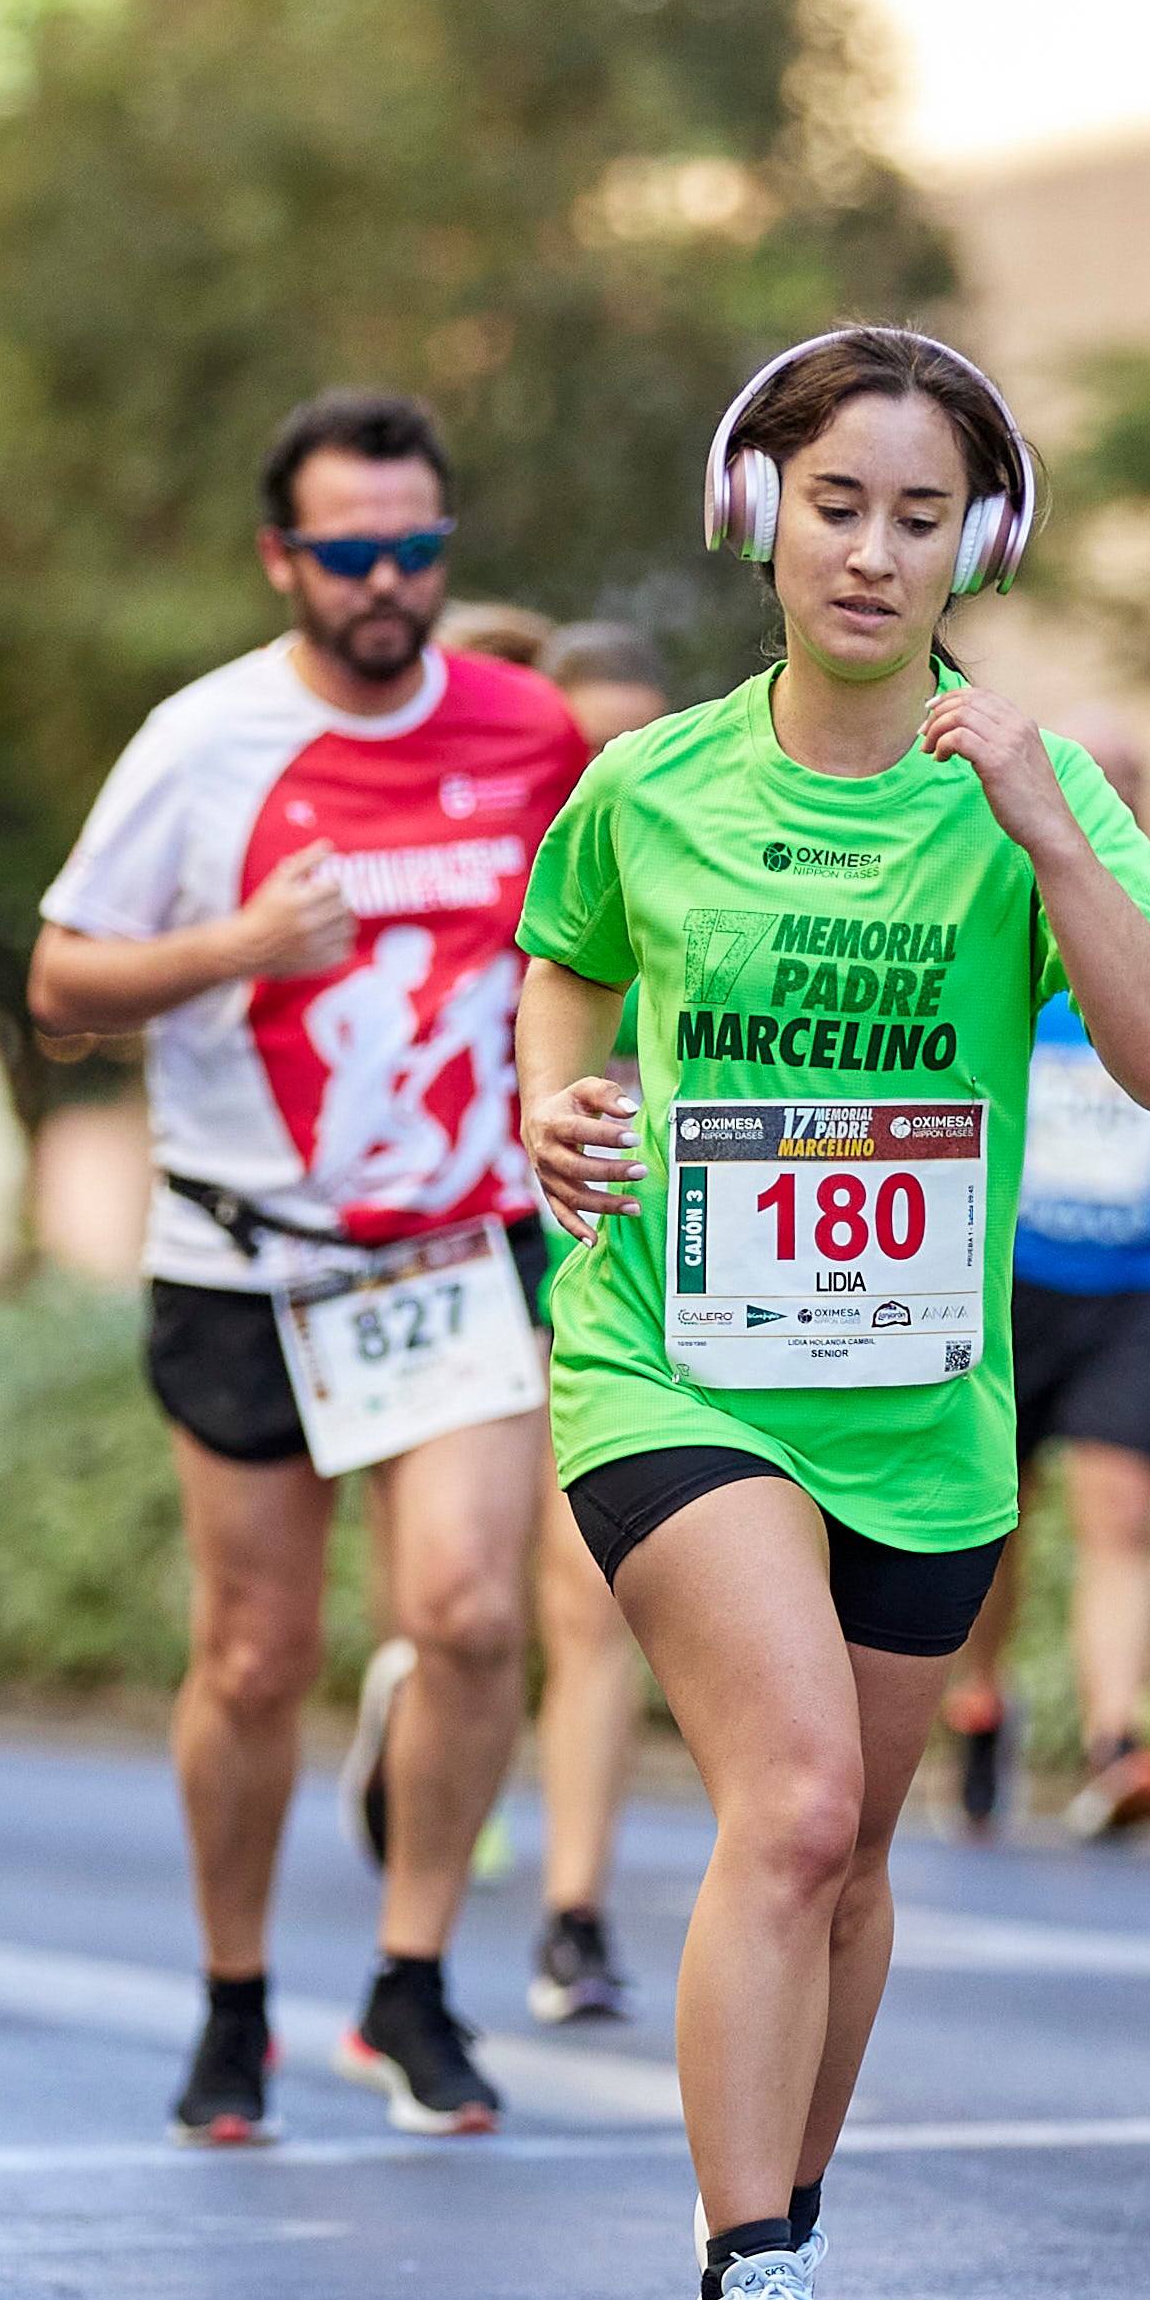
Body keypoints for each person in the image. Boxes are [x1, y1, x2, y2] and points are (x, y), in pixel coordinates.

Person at [519, 327, 1150, 2300]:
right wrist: (558, 1116)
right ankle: (746, 2288)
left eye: (921, 515)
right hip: (668, 1354)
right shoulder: (648, 784)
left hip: (916, 1391)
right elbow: (559, 966)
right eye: (837, 504)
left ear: (975, 543)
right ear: (759, 512)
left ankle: (781, 2235)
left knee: (851, 1850)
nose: (872, 551)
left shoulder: (1039, 786)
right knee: (794, 1793)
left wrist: (1046, 830)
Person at [30, 390, 590, 2142]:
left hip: (453, 1245)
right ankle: (233, 1995)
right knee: (257, 1654)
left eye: (416, 549)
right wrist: (240, 946)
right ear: (284, 559)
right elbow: (58, 989)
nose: (386, 583)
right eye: (349, 553)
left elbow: (609, 946)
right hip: (245, 1254)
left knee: (472, 1614)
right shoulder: (203, 743)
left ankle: (415, 1982)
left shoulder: (530, 733)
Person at [935, 724, 1150, 1839]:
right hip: (1006, 1272)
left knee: (1122, 1513)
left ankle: (1114, 1740)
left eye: (1124, 788)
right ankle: (980, 1704)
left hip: (1137, 1277)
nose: (1102, 802)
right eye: (1089, 782)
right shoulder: (996, 913)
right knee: (994, 1519)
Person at [520, 619, 676, 2025]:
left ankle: (574, 1903)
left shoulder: (680, 828)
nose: (604, 754)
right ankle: (423, 1704)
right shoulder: (498, 839)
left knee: (586, 1596)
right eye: (578, 731)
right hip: (453, 1226)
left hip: (620, 1224)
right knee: (450, 1598)